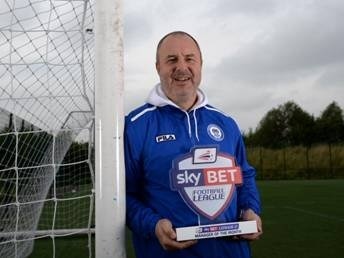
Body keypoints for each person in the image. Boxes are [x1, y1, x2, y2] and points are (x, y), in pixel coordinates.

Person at [124, 31, 262, 258]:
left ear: (200, 65)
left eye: (189, 59)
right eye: (172, 60)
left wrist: (250, 210)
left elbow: (244, 176)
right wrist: (153, 225)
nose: (182, 67)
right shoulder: (135, 126)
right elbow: (124, 196)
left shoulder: (226, 123)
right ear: (158, 67)